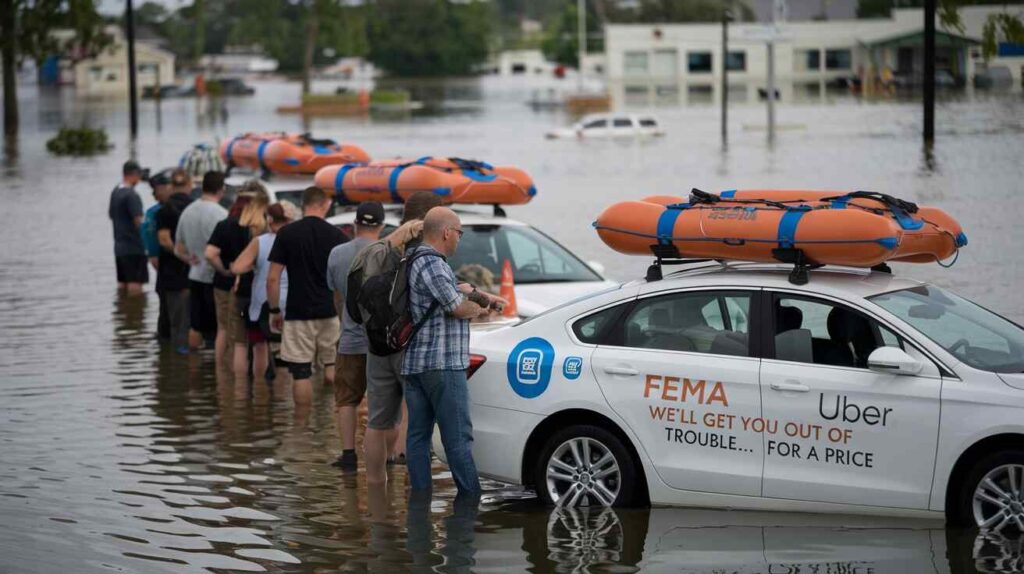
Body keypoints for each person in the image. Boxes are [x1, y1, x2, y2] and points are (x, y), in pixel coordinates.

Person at [402, 207, 504, 493]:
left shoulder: (413, 259)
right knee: (458, 437)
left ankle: (420, 502)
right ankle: (469, 504)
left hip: (416, 363)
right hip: (442, 364)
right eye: (459, 232)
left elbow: (446, 295)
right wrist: (483, 307)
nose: (460, 238)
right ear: (447, 232)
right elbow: (457, 308)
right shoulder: (433, 263)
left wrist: (475, 295)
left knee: (418, 437)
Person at [345, 191, 444, 479]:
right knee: (416, 419)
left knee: (376, 422)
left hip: (377, 345)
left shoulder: (382, 247)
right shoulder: (424, 249)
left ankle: (377, 493)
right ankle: (416, 489)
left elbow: (355, 291)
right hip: (412, 346)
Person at [267, 187, 347, 405]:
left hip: (297, 312)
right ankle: (329, 424)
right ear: (325, 204)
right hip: (329, 311)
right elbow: (342, 281)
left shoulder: (287, 234)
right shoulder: (337, 235)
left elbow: (273, 279)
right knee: (331, 367)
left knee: (301, 373)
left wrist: (274, 310)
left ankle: (301, 428)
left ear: (303, 204)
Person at [325, 201, 386, 473]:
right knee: (382, 401)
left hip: (350, 340)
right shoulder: (389, 253)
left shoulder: (337, 253)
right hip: (382, 344)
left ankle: (348, 455)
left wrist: (345, 323)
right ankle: (386, 457)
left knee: (346, 399)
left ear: (355, 224)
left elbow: (337, 295)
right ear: (382, 226)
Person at [231, 201, 300, 382]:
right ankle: (284, 402)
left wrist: (257, 265)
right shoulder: (297, 240)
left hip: (261, 303)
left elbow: (237, 267)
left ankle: (259, 395)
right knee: (288, 353)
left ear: (269, 220)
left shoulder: (259, 242)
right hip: (292, 302)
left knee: (259, 347)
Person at [206, 181, 269, 374]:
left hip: (226, 284)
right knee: (260, 340)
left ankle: (222, 375)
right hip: (259, 287)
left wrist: (225, 270)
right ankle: (260, 386)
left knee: (226, 330)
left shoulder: (226, 224)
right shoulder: (265, 226)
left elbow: (210, 253)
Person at [175, 171, 227, 350]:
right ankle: (215, 372)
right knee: (221, 328)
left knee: (196, 326)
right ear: (222, 189)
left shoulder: (187, 211)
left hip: (194, 275)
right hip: (214, 278)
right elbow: (221, 250)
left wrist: (189, 259)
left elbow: (178, 248)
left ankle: (194, 370)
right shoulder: (221, 214)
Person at [155, 176, 195, 354]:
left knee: (173, 319)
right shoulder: (196, 207)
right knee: (190, 320)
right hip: (197, 270)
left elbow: (163, 240)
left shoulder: (164, 210)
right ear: (189, 185)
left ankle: (173, 362)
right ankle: (188, 362)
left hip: (170, 272)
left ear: (172, 186)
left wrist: (180, 255)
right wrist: (188, 257)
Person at [142, 169, 174, 339]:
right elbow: (153, 249)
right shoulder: (156, 212)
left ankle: (166, 354)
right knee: (167, 307)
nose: (154, 195)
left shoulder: (153, 212)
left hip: (166, 266)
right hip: (167, 266)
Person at [109, 160, 149, 295]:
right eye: (139, 175)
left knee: (122, 285)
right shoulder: (132, 195)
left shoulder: (116, 191)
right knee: (135, 286)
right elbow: (138, 220)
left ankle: (124, 313)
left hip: (119, 248)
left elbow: (111, 215)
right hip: (134, 248)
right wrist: (148, 242)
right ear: (134, 174)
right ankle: (135, 315)